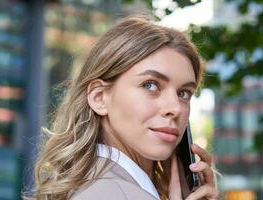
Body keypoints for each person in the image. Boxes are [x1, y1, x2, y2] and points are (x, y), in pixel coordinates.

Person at [28, 16, 219, 200]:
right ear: (99, 97)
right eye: (150, 85)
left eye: (183, 93)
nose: (175, 108)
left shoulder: (89, 185)